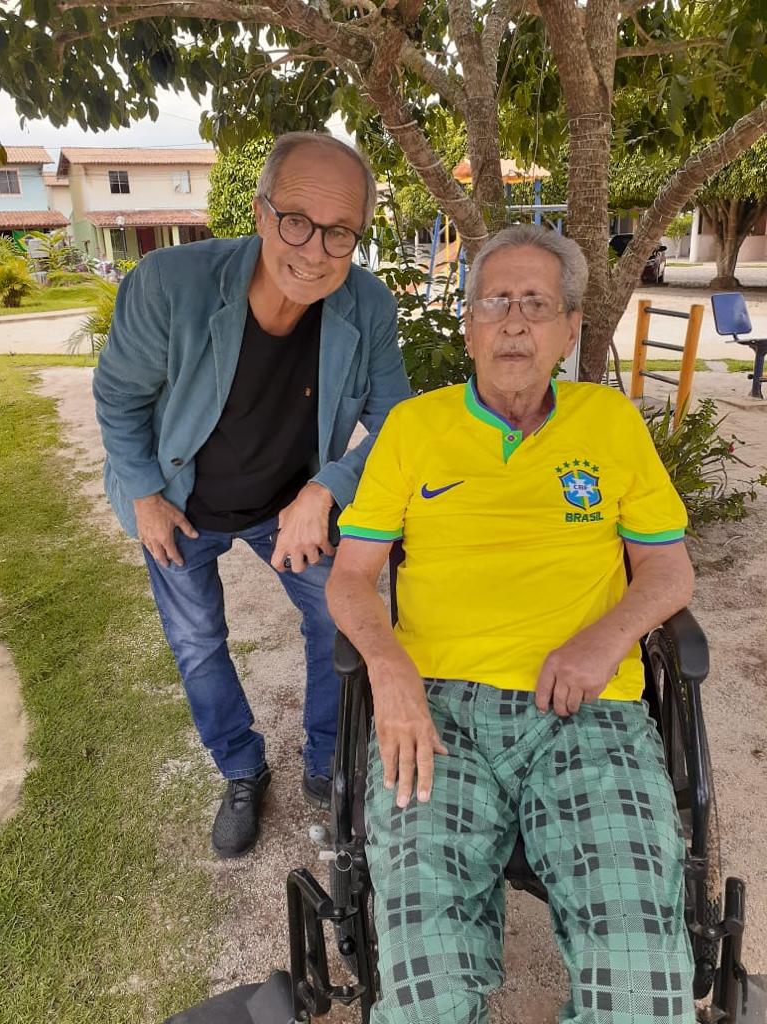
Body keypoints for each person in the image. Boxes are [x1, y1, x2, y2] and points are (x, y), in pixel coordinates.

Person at [327, 224, 696, 1023]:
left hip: (588, 708)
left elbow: (669, 571)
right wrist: (390, 670)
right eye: (495, 302)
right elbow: (350, 577)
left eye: (536, 303)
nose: (515, 322)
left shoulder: (610, 422)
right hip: (438, 713)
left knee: (640, 985)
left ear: (570, 328)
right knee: (424, 991)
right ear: (468, 327)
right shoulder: (414, 428)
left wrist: (606, 640)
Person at [93, 132, 410, 859]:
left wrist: (327, 488)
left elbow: (400, 423)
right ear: (262, 212)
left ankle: (328, 760)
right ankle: (241, 769)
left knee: (338, 617)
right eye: (296, 221)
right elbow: (118, 397)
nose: (316, 251)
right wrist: (143, 495)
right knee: (198, 643)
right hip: (177, 502)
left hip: (287, 504)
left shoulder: (367, 305)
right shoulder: (169, 283)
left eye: (340, 232)